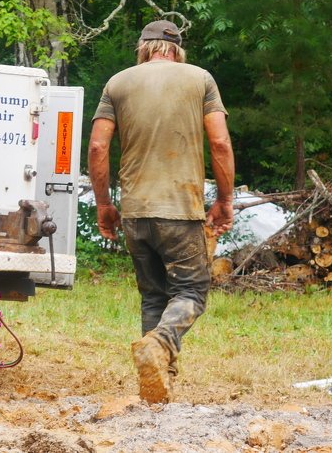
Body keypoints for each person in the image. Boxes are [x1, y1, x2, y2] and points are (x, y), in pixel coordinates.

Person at [87, 20, 235, 404]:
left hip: (135, 213)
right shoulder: (201, 79)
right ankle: (162, 341)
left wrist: (104, 204)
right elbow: (220, 142)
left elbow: (98, 148)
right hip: (180, 209)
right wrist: (224, 199)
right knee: (191, 291)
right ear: (177, 50)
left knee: (154, 296)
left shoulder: (117, 83)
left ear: (143, 48)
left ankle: (157, 387)